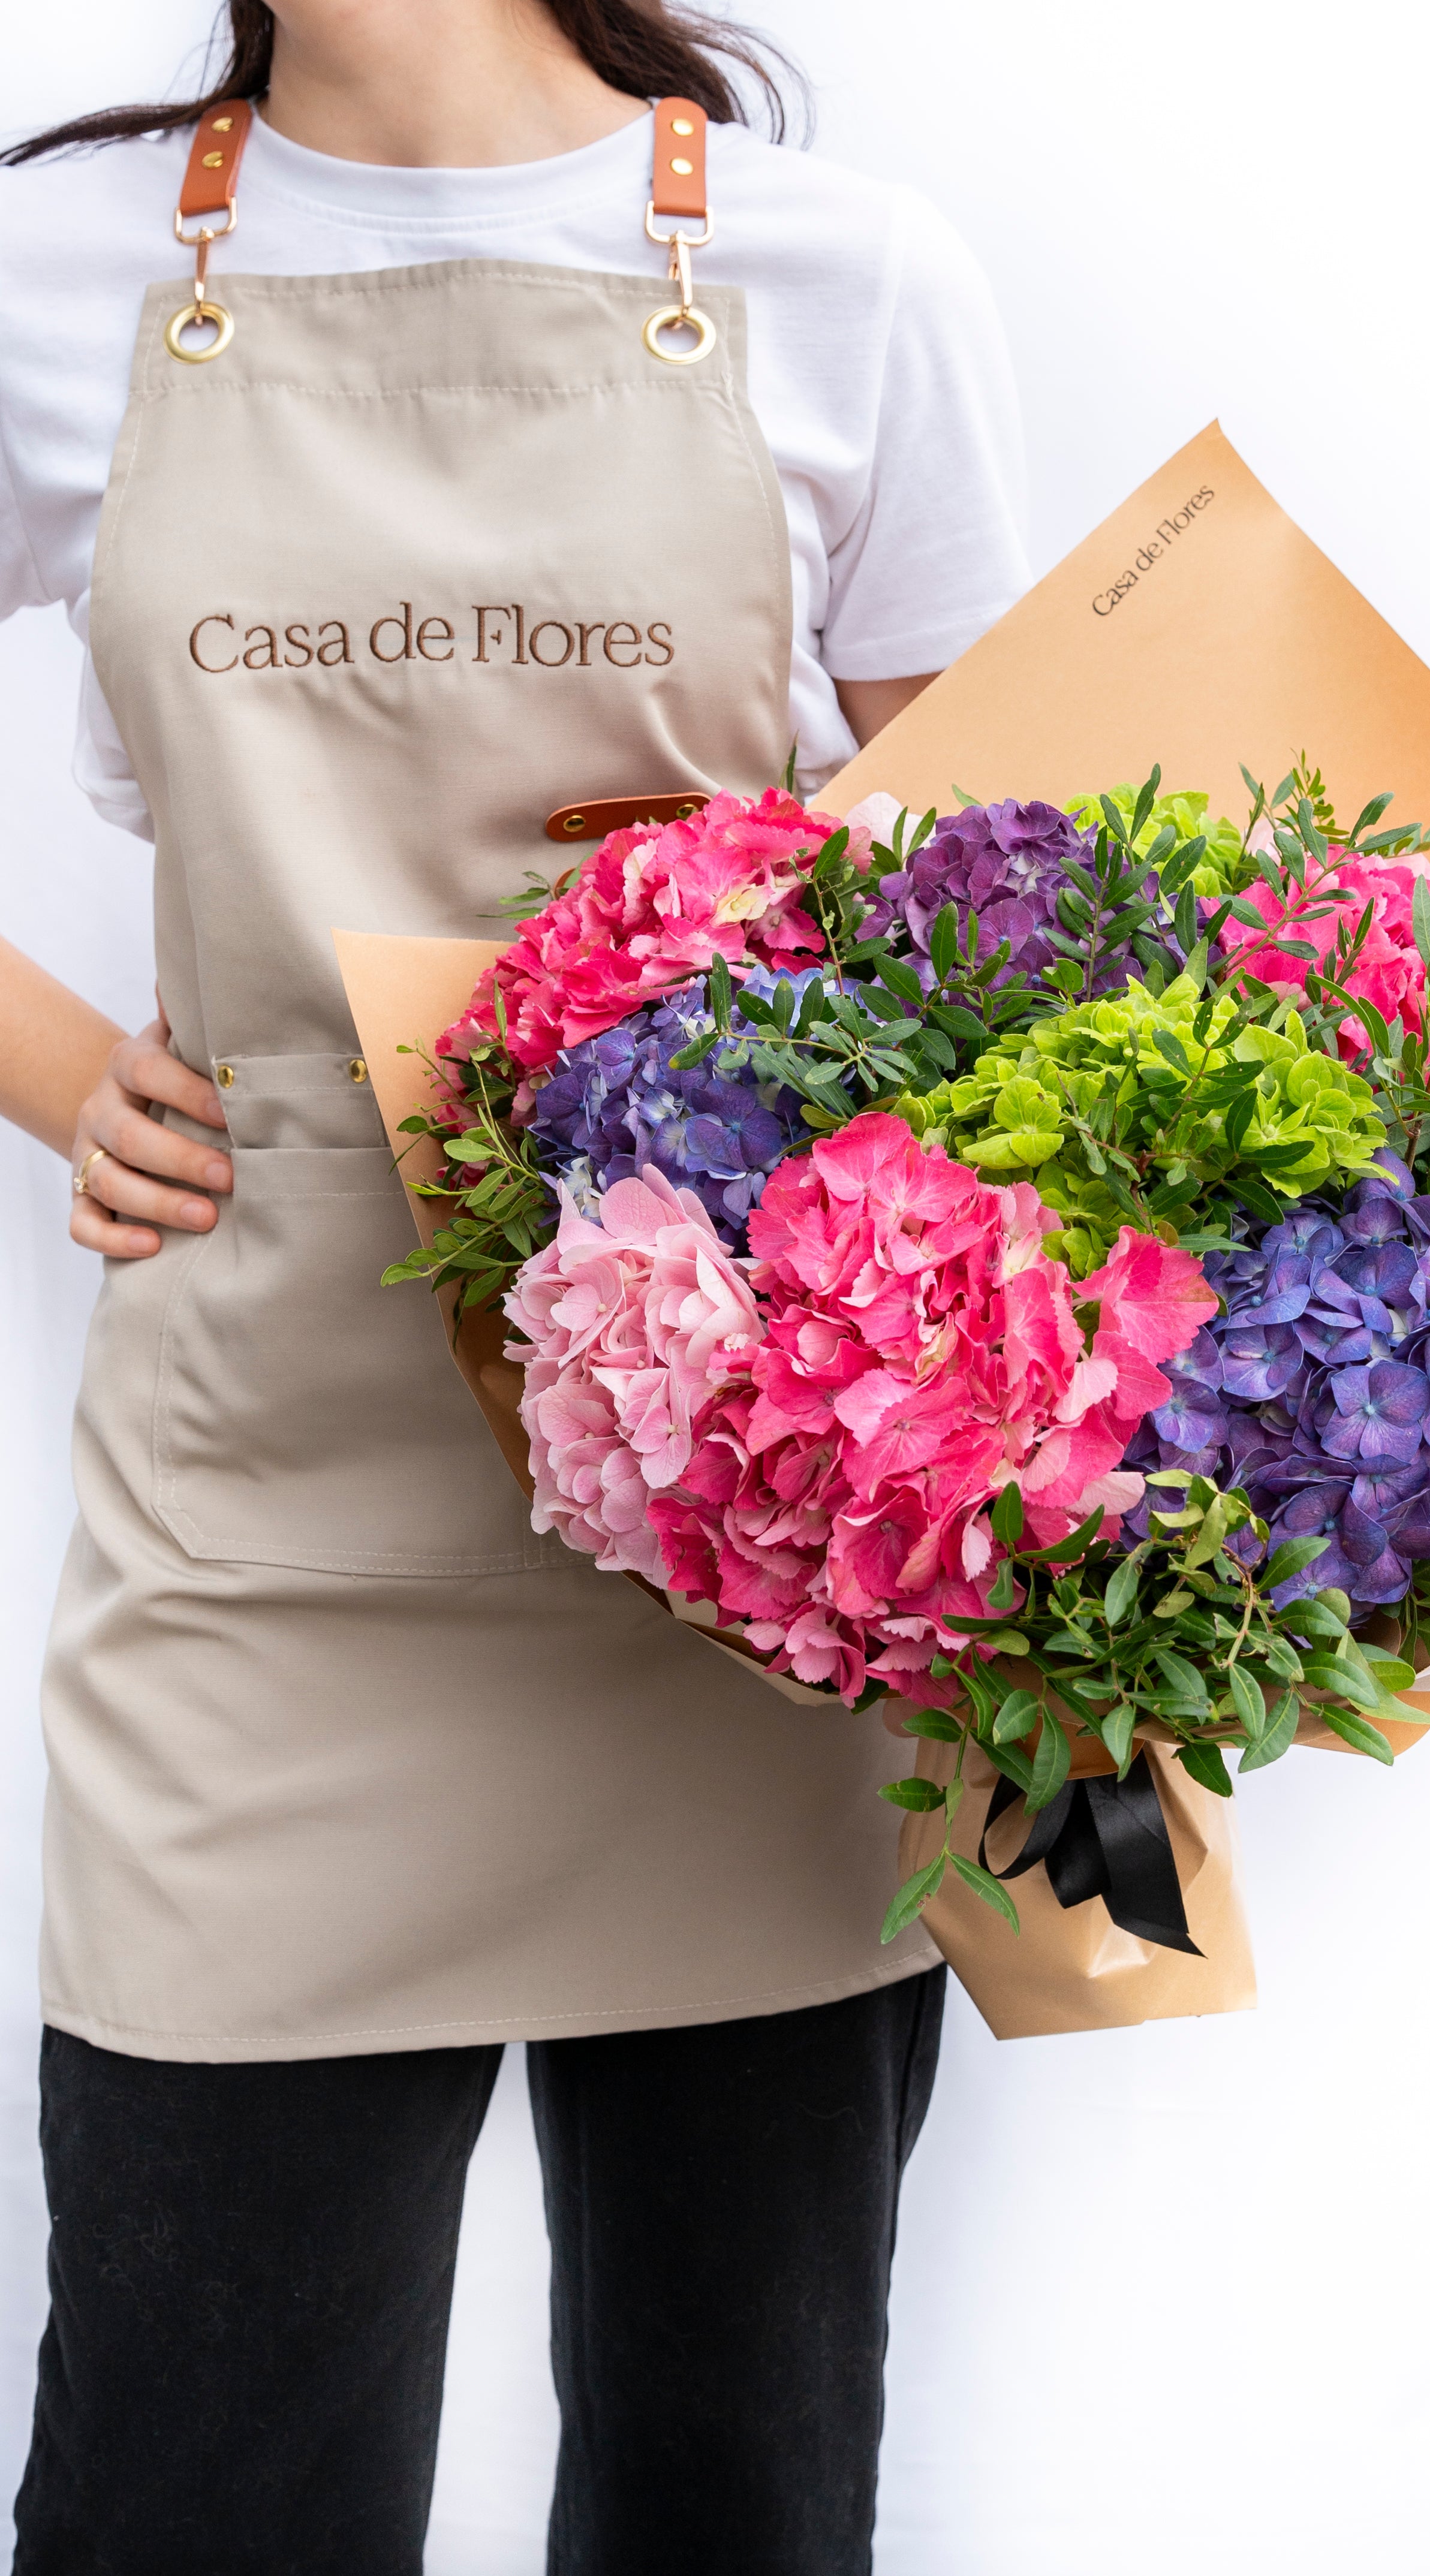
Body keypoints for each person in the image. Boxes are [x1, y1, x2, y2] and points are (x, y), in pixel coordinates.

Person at [0, 4, 1028, 2566]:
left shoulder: (842, 275)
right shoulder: (62, 266)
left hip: (762, 1577)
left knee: (736, 2493)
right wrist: (57, 1066)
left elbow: (1013, 949)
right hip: (267, 1540)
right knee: (193, 2495)